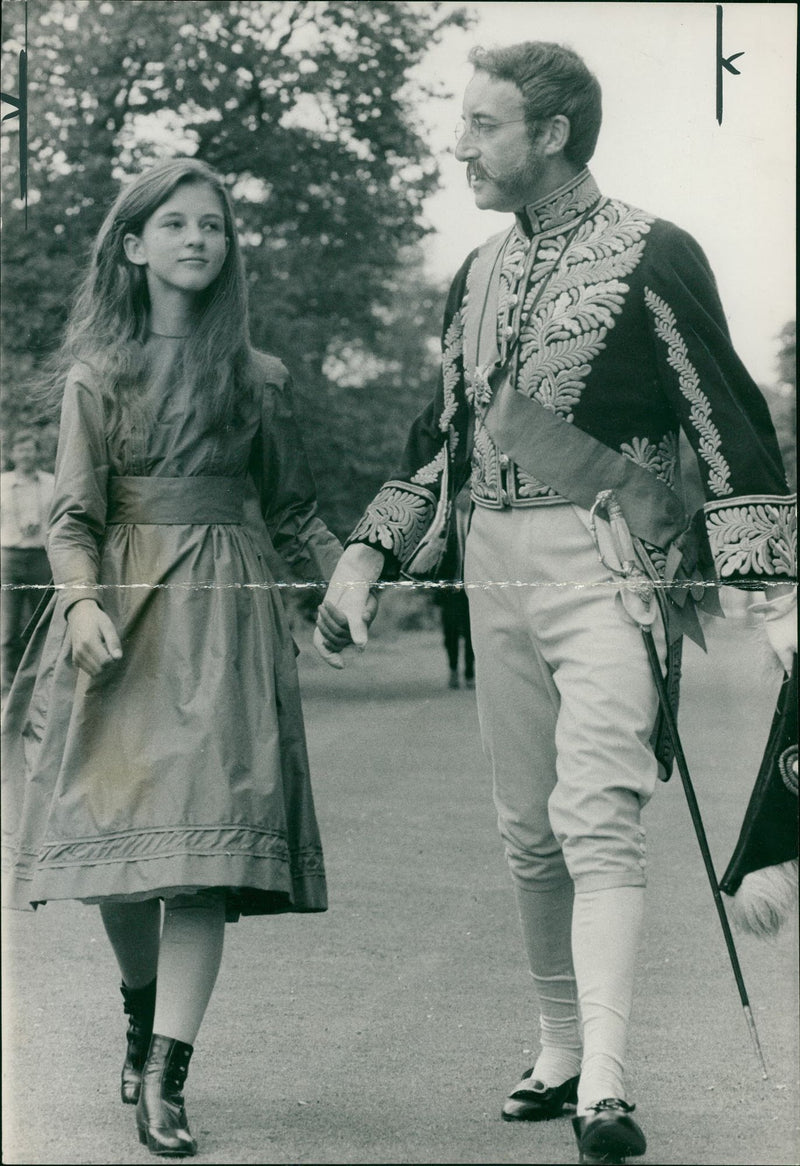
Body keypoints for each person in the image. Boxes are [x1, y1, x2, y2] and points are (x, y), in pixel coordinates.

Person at [314, 42, 797, 1165]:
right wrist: (363, 557)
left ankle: (609, 1088)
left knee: (595, 814)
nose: (459, 146)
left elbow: (724, 419)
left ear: (552, 135)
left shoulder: (651, 251)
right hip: (492, 561)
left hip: (605, 561)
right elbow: (437, 439)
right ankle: (559, 1046)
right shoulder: (473, 275)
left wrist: (769, 589)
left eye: (481, 126)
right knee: (526, 827)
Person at [1, 157, 342, 1159]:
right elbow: (71, 518)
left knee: (200, 861)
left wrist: (337, 584)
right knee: (118, 864)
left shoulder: (257, 377)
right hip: (122, 619)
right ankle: (139, 1010)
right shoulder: (95, 376)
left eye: (214, 226)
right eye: (177, 224)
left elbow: (292, 511)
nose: (199, 239)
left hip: (225, 626)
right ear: (135, 245)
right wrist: (78, 605)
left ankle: (167, 1074)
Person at [1, 430, 55, 699]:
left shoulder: (51, 483)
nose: (25, 454)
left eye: (30, 449)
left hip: (40, 559)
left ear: (37, 453)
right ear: (12, 454)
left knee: (40, 624)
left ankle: (41, 685)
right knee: (8, 630)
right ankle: (9, 689)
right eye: (20, 449)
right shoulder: (2, 483)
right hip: (9, 559)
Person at [433, 491, 475, 689]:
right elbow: (436, 558)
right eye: (462, 494)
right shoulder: (446, 522)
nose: (465, 497)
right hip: (450, 591)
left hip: (473, 591)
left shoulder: (477, 521)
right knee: (449, 632)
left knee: (471, 633)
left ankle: (469, 673)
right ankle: (452, 669)